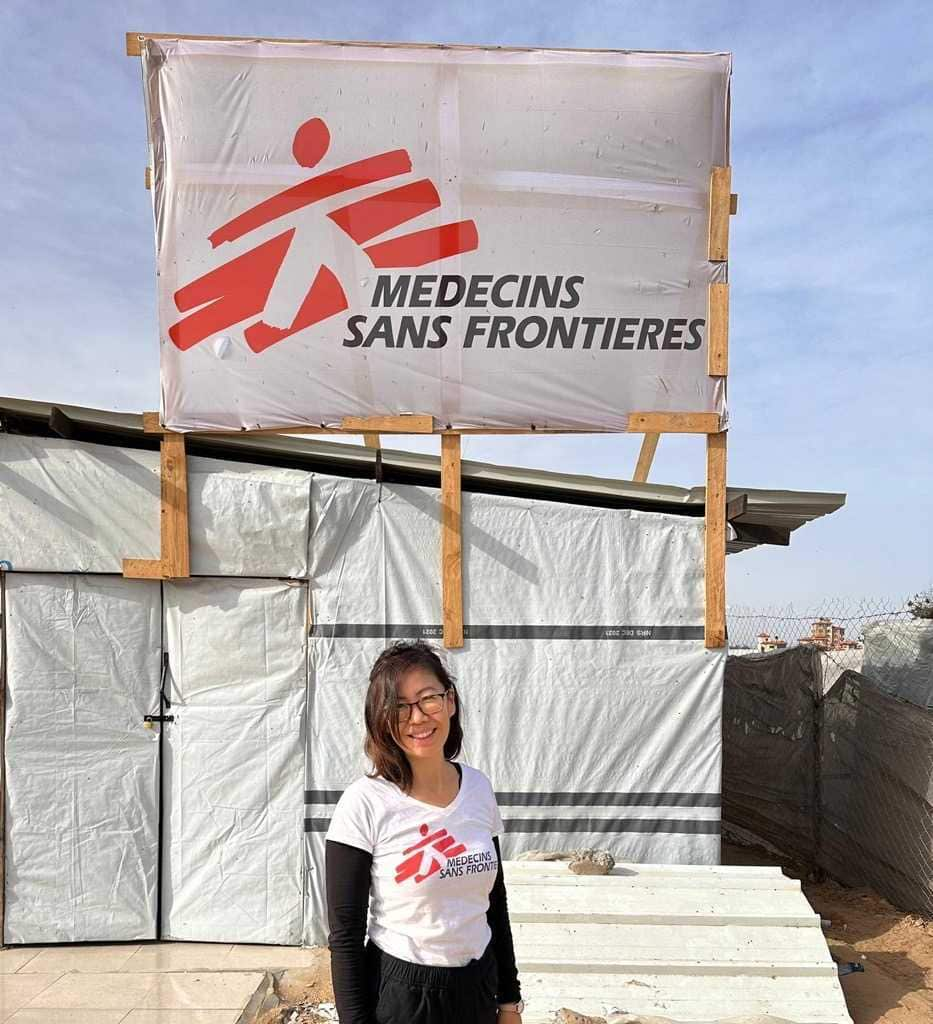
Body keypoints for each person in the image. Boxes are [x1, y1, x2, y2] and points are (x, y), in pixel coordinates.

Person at [325, 640, 524, 1024]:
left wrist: (509, 1000)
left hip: (478, 986)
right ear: (380, 718)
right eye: (399, 706)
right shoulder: (364, 804)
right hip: (405, 997)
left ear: (449, 702)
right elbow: (345, 937)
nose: (417, 717)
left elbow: (493, 903)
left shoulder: (478, 789)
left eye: (428, 698)